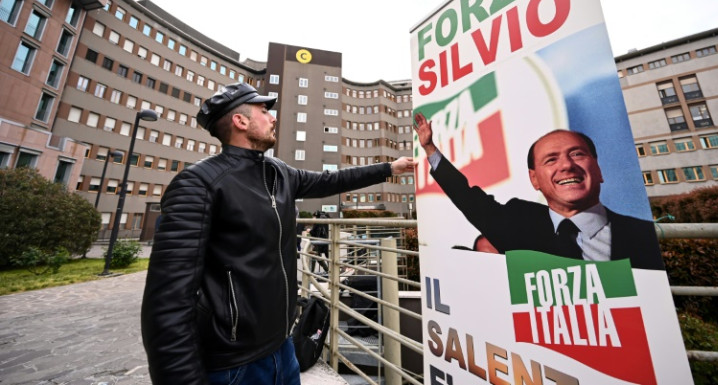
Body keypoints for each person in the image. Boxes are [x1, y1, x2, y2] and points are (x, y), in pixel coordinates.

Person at [141, 83, 416, 385]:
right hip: (233, 365)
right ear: (241, 121)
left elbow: (331, 180)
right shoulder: (199, 184)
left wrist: (390, 168)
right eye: (263, 111)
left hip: (283, 349)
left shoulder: (279, 173)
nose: (272, 118)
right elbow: (166, 302)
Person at [413, 112, 664, 271]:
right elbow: (468, 197)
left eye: (577, 154)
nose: (567, 165)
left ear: (598, 169)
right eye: (551, 160)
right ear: (535, 179)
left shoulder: (642, 237)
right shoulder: (518, 221)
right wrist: (430, 149)